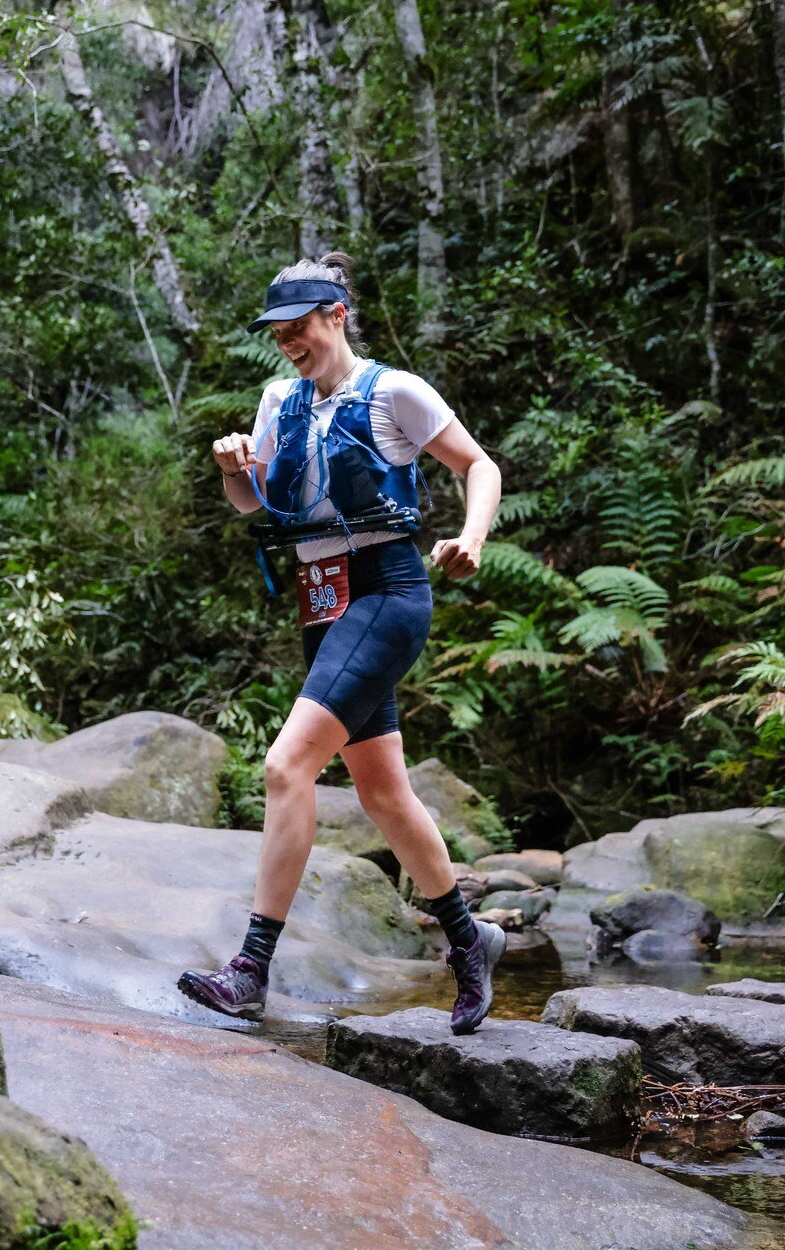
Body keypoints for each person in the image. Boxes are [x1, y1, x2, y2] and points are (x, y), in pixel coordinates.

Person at [176, 253, 506, 1033]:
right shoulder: (277, 402)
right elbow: (252, 501)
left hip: (388, 592)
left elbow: (478, 464)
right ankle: (470, 940)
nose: (289, 343)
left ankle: (251, 967)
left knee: (286, 763)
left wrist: (472, 538)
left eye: (301, 328)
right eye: (279, 334)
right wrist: (231, 468)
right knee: (382, 789)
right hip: (323, 603)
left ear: (337, 316)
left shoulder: (394, 391)